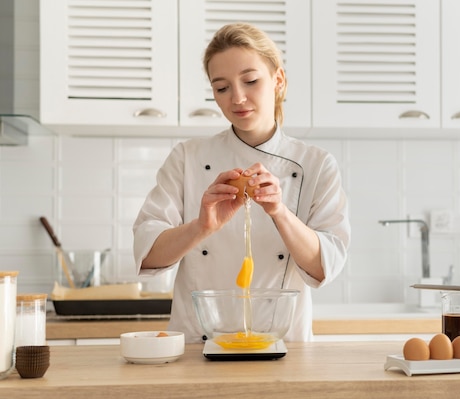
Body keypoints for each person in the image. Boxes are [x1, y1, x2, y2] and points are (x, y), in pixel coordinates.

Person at [132, 22, 350, 343]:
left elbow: (324, 267)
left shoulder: (316, 164)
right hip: (197, 347)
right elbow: (147, 255)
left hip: (283, 349)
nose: (237, 98)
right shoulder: (187, 158)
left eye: (250, 81)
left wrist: (279, 212)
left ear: (278, 80)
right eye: (222, 88)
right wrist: (202, 227)